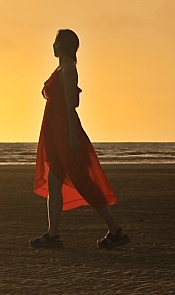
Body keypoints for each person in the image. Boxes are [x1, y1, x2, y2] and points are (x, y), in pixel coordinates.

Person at [31, 28, 129, 250]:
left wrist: (72, 135)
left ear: (63, 45)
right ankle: (53, 234)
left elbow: (70, 104)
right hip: (55, 131)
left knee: (82, 181)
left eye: (55, 42)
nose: (52, 46)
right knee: (54, 183)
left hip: (64, 131)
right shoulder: (61, 68)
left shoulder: (68, 70)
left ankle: (115, 230)